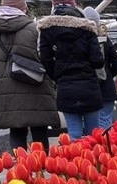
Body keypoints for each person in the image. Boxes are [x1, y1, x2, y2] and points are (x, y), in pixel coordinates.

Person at [0, 0, 59, 153]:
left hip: (3, 87)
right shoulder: (33, 27)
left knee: (16, 129)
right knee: (39, 127)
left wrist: (0, 71)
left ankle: (22, 169)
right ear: (23, 7)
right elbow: (42, 54)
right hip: (34, 83)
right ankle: (41, 168)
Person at [38, 0, 104, 140]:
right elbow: (98, 61)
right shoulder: (87, 28)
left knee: (74, 135)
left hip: (65, 87)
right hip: (89, 87)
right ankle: (96, 161)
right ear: (74, 5)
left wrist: (57, 75)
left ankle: (76, 161)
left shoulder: (47, 30)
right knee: (94, 135)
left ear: (53, 5)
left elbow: (45, 60)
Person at [82, 7, 117, 130]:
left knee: (91, 126)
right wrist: (108, 74)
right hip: (106, 88)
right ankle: (105, 146)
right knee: (105, 121)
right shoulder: (105, 40)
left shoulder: (79, 40)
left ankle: (95, 147)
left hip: (88, 87)